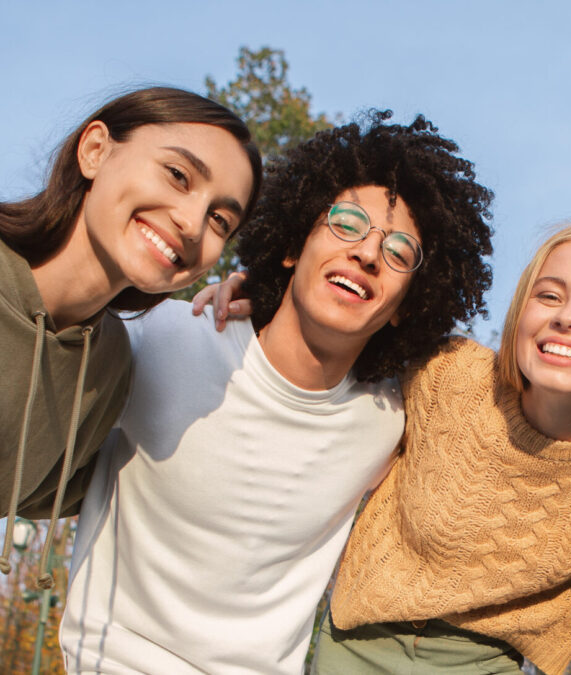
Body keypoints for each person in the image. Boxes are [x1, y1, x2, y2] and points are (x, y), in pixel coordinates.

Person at [59, 114, 494, 675]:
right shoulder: (160, 338)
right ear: (293, 245)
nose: (366, 253)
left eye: (399, 252)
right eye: (347, 223)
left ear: (408, 304)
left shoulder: (390, 422)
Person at [307, 224, 571, 675]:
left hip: (492, 663)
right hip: (357, 642)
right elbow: (332, 338)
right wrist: (253, 305)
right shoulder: (449, 373)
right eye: (548, 296)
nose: (567, 317)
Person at [0, 86, 261, 587]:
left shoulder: (109, 363)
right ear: (95, 150)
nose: (190, 223)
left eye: (219, 220)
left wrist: (273, 318)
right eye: (178, 175)